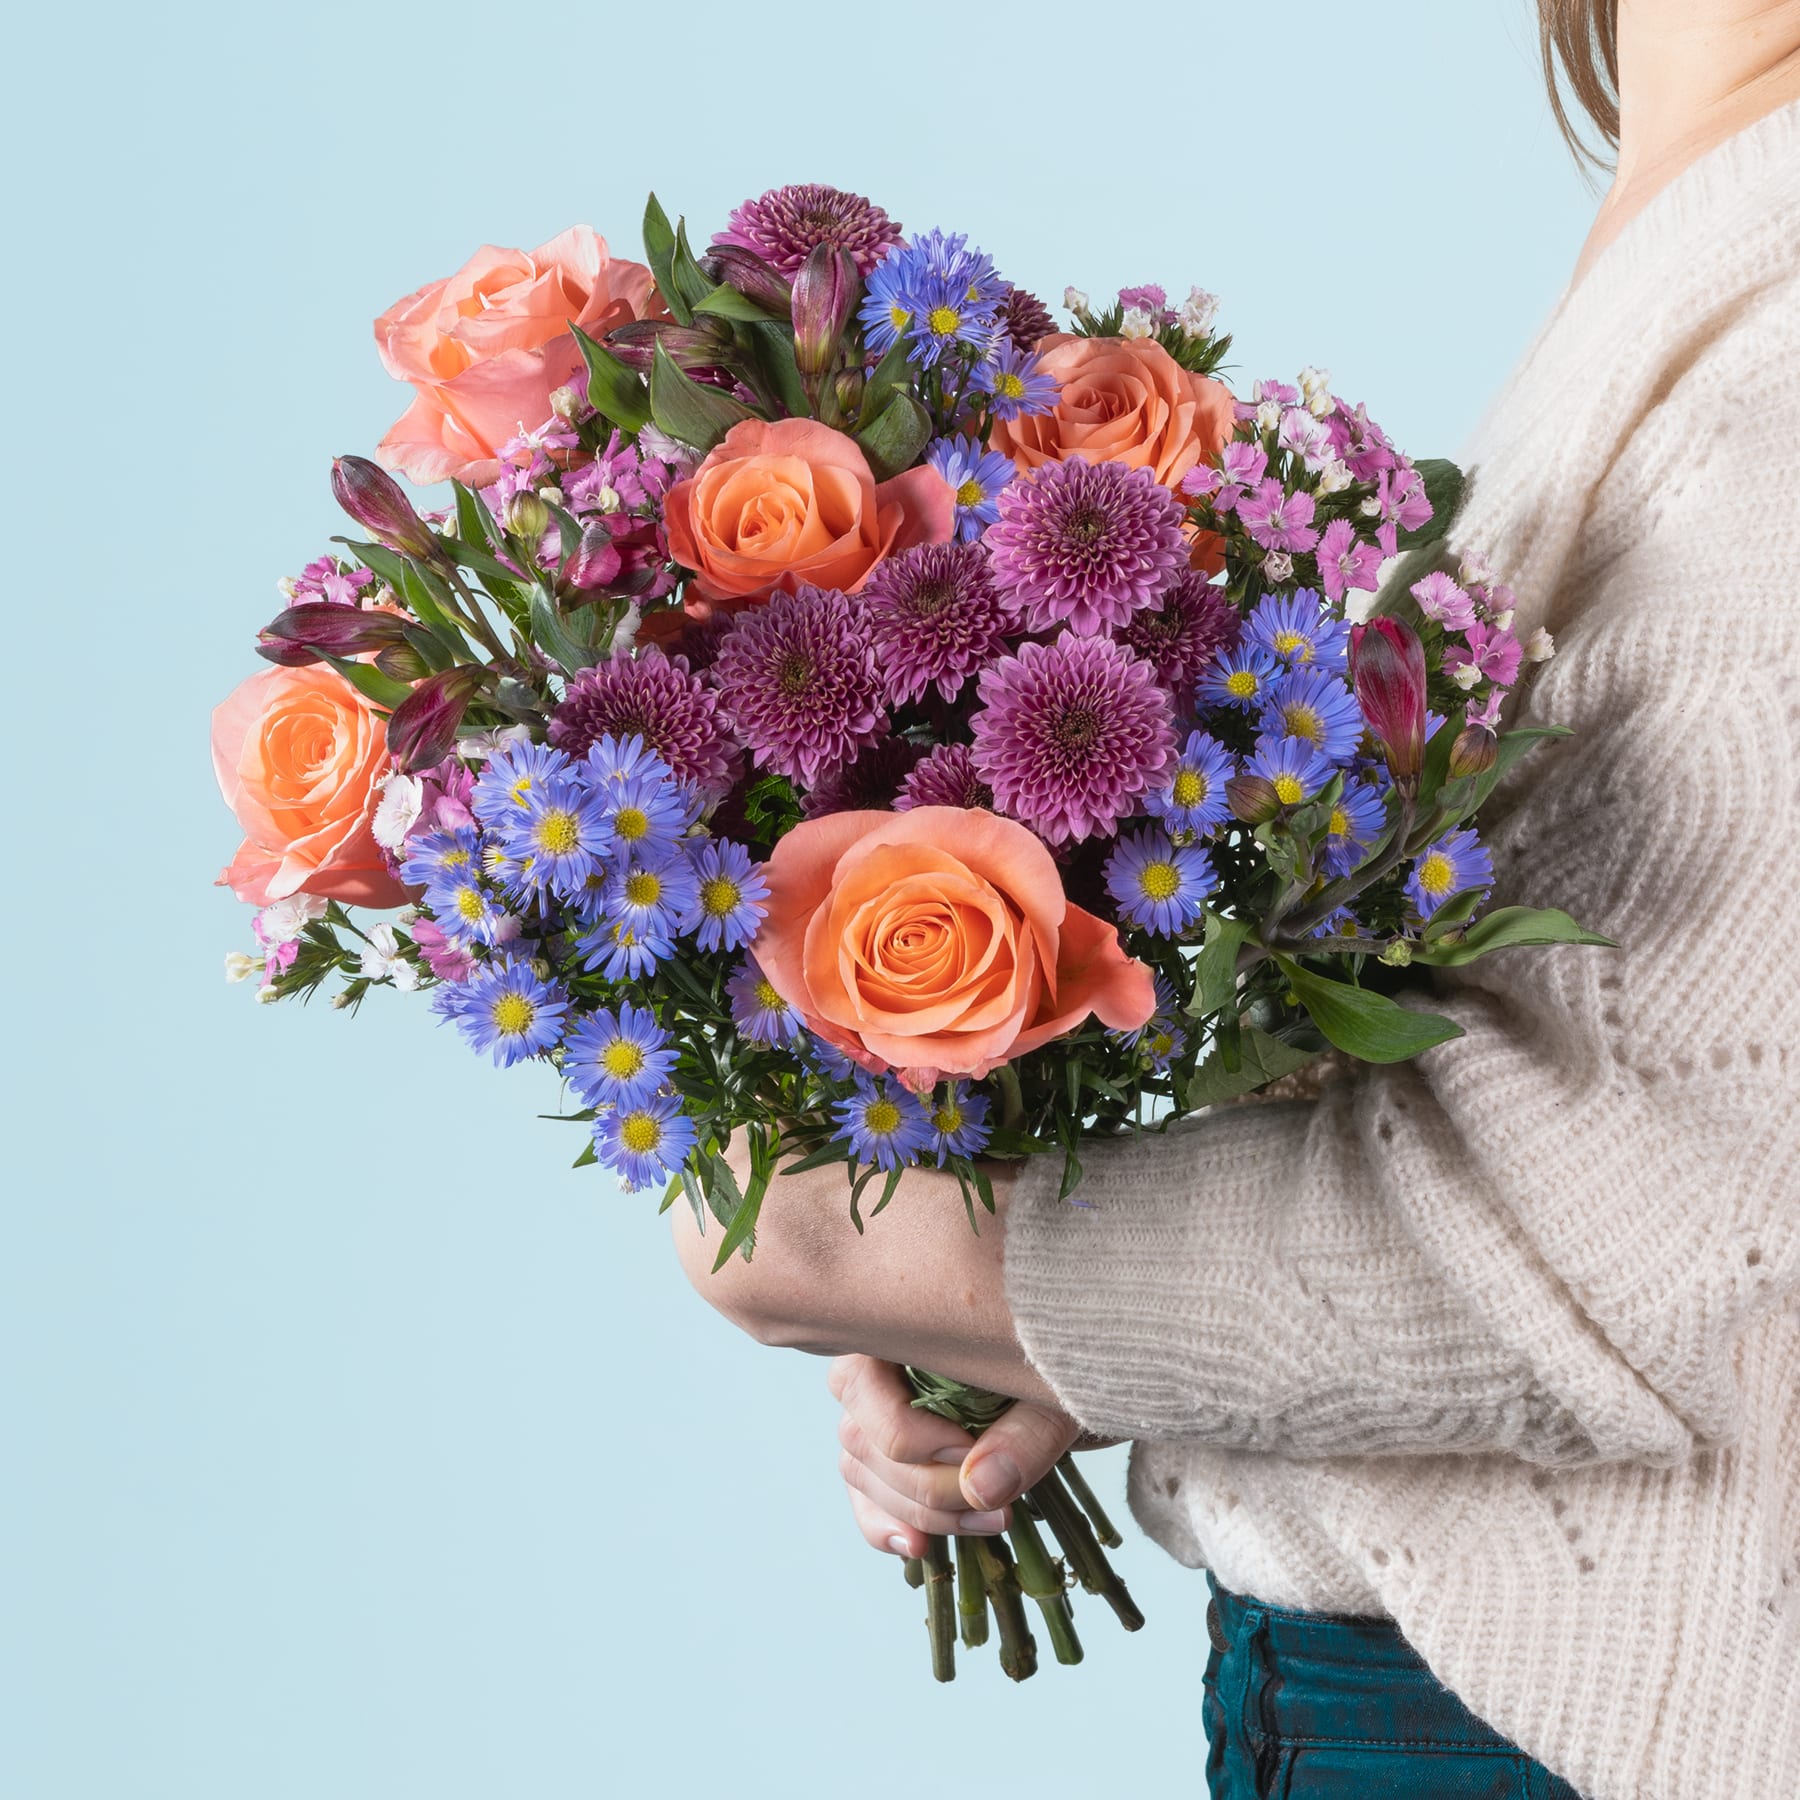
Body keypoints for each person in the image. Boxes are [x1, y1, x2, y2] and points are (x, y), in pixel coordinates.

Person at [673, 5, 1800, 1794]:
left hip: (1528, 1735)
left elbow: (1664, 1241)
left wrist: (950, 1262)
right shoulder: (1698, 226)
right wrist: (1014, 1339)